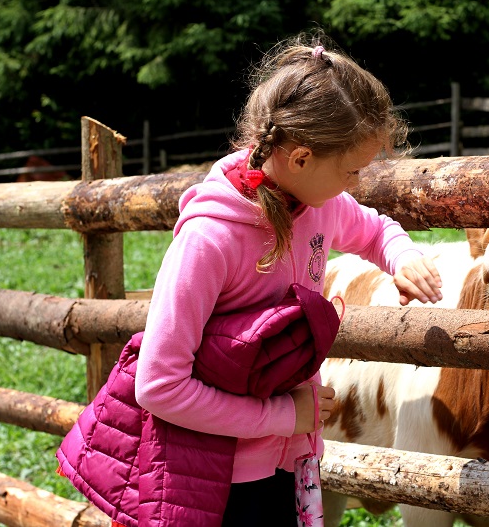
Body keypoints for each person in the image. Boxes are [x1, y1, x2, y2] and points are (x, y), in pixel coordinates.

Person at [134, 31, 444, 526]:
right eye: (351, 171)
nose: (355, 186)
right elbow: (158, 386)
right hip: (218, 481)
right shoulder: (209, 241)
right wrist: (282, 417)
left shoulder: (316, 205)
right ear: (300, 157)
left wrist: (402, 256)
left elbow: (375, 229)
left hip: (291, 459)